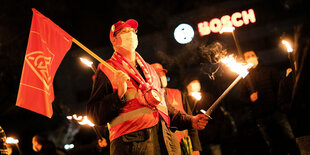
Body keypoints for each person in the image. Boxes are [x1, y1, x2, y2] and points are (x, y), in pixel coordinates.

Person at [87, 19, 209, 155]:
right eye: (125, 31)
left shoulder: (150, 70)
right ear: (114, 40)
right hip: (132, 147)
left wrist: (191, 121)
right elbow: (94, 115)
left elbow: (166, 109)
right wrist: (118, 95)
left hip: (166, 143)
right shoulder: (107, 69)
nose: (131, 34)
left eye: (133, 31)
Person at [240, 50, 300, 155]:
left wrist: (280, 105)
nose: (250, 58)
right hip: (261, 116)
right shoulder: (245, 77)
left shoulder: (269, 70)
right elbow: (241, 97)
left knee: (289, 138)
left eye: (252, 55)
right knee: (272, 144)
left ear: (257, 57)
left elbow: (280, 88)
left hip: (276, 112)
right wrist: (250, 98)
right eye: (247, 57)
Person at [151, 63, 202, 155]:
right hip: (164, 148)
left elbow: (190, 120)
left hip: (184, 146)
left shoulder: (177, 93)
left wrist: (195, 148)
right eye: (158, 74)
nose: (161, 76)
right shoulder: (150, 98)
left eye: (163, 74)